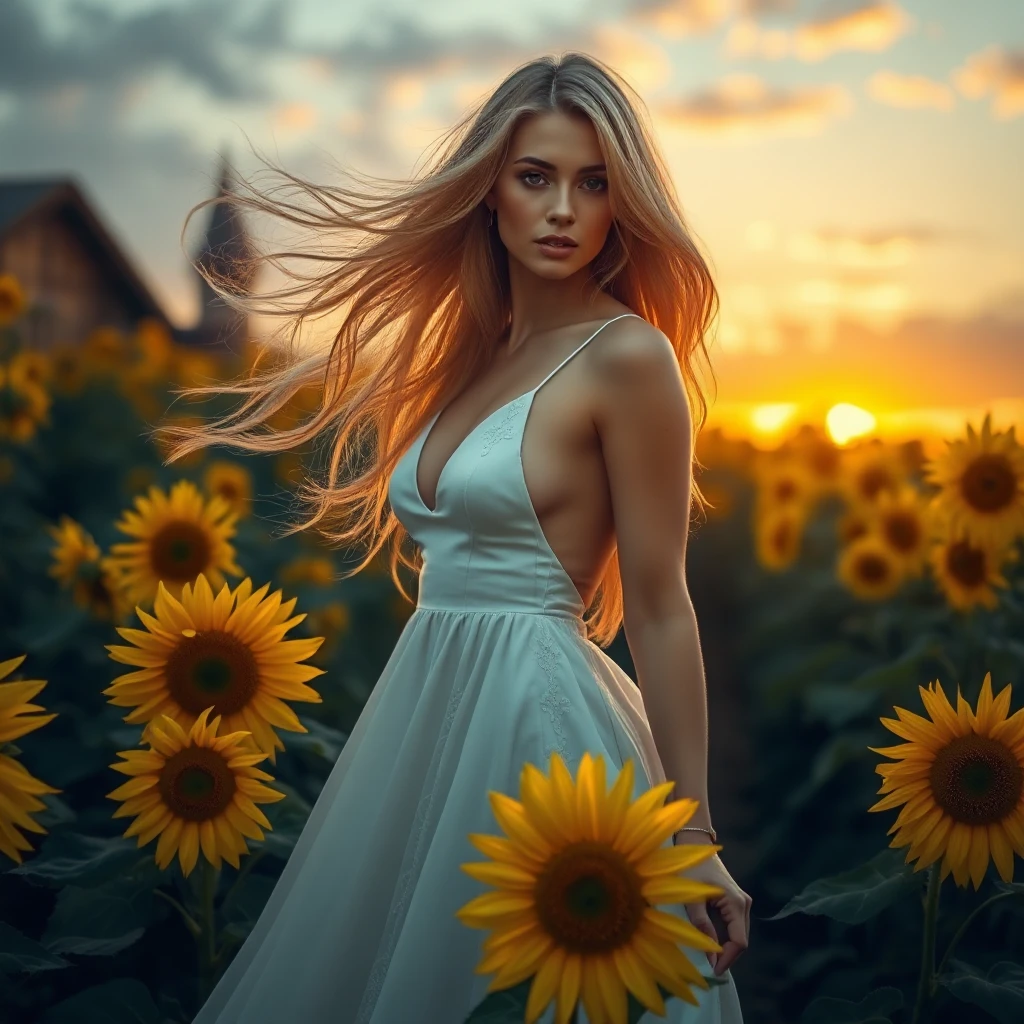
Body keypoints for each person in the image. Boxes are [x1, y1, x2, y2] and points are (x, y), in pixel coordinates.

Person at [173, 51, 748, 1024]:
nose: (563, 207)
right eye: (536, 177)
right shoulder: (472, 354)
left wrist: (694, 833)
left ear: (621, 205)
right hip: (426, 698)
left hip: (538, 717)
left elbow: (658, 602)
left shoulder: (626, 357)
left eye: (593, 182)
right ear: (489, 191)